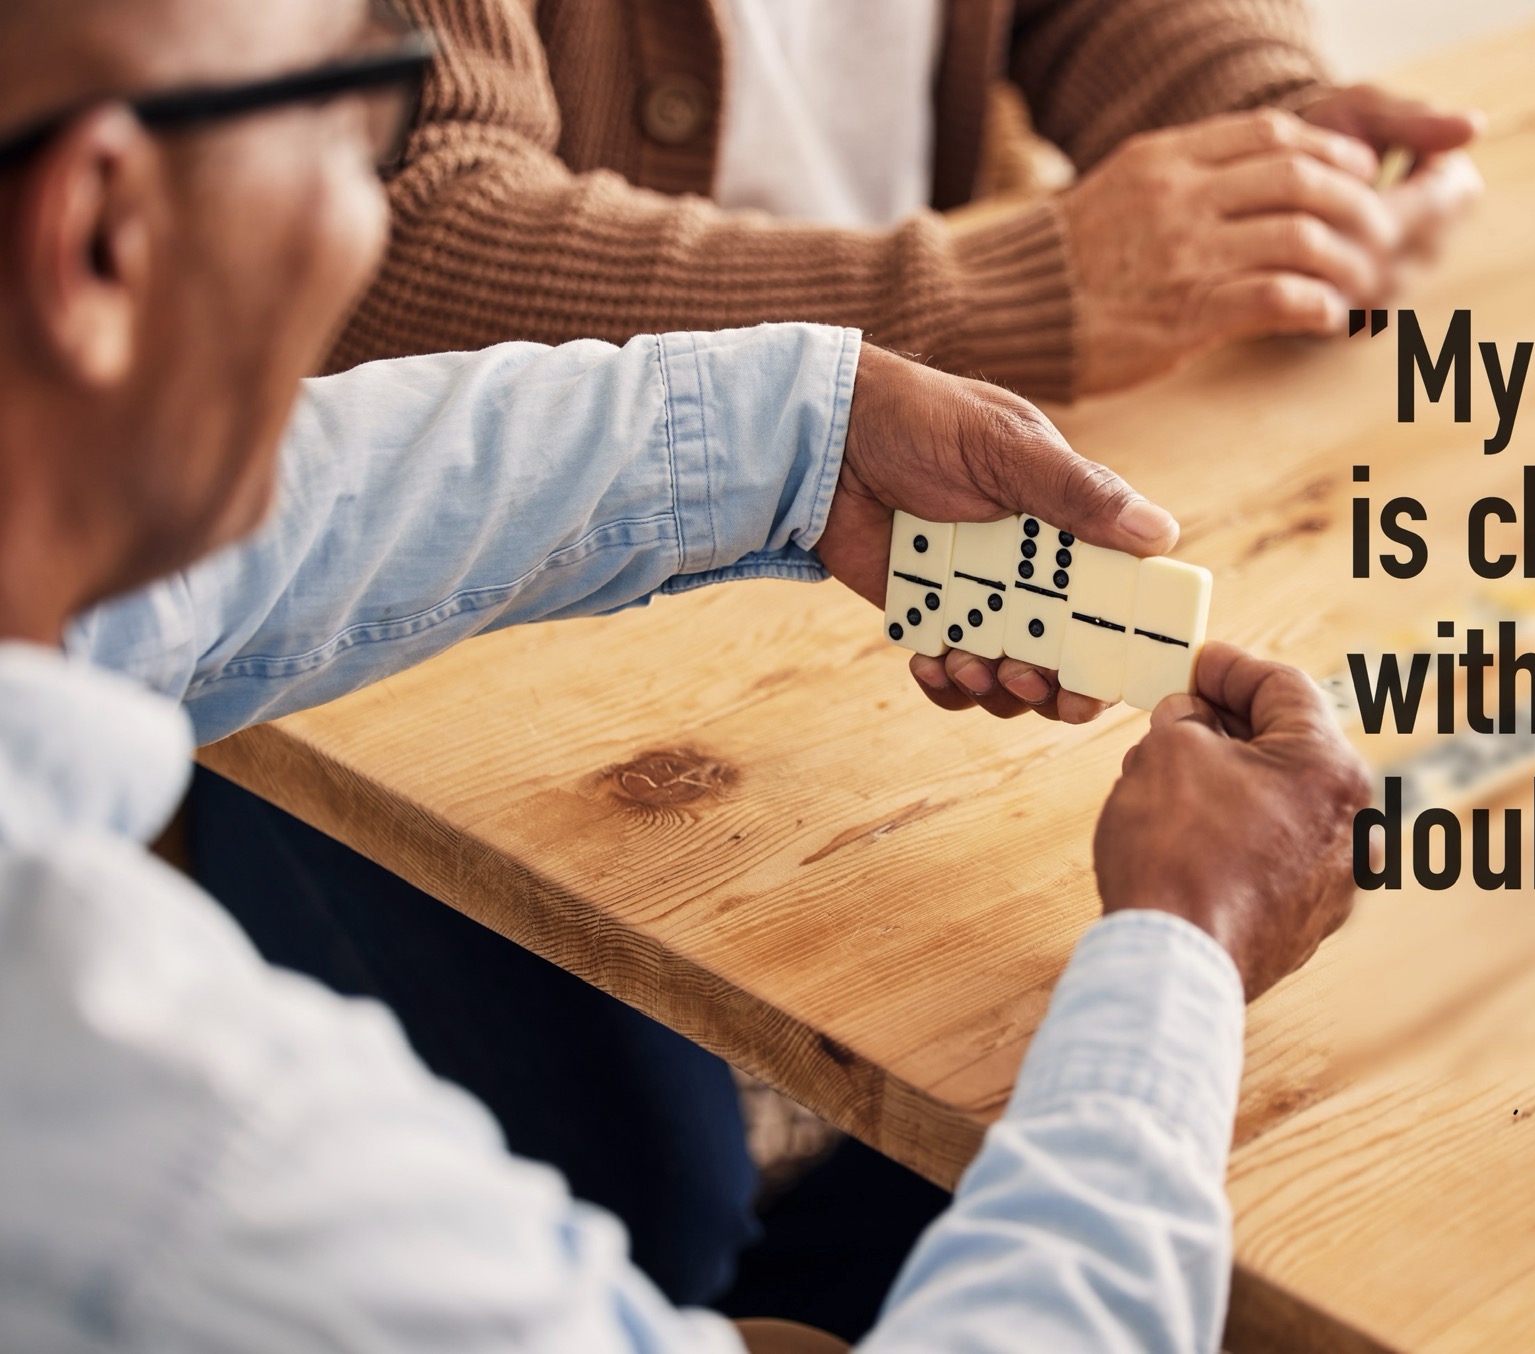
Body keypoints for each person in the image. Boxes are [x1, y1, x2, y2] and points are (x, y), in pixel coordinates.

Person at [0, 2, 1372, 1352]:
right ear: (97, 236)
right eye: (346, 118)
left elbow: (224, 566)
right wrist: (1182, 950)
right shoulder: (200, 1159)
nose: (372, 217)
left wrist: (805, 437)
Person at [339, 0, 1487, 401]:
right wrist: (992, 300)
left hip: (893, 509)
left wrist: (1268, 151)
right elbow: (400, 244)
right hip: (424, 653)